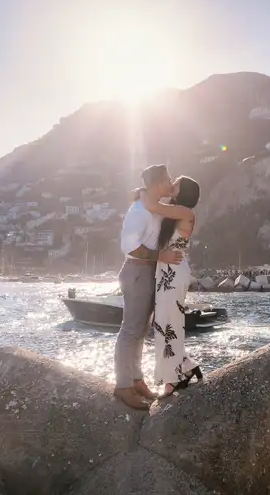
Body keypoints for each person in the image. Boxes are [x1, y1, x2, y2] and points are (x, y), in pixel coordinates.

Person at [114, 165, 193, 410]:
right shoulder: (139, 211)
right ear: (159, 183)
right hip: (138, 270)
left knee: (141, 328)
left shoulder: (157, 206)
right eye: (169, 179)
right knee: (130, 330)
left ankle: (137, 380)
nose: (171, 183)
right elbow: (129, 247)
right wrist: (160, 256)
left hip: (152, 272)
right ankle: (123, 386)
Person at [139, 176, 203, 399]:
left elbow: (152, 206)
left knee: (168, 324)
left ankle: (172, 381)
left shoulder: (186, 213)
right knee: (164, 322)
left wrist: (141, 191)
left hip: (174, 273)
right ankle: (185, 366)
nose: (171, 186)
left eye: (175, 183)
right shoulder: (174, 211)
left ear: (183, 191)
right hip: (167, 272)